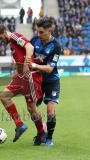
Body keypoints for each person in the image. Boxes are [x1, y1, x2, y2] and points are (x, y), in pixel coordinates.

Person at [0, 24, 45, 144]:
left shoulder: (15, 36)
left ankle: (41, 133)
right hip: (20, 76)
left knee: (31, 109)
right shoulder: (11, 43)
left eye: (1, 38)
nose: (1, 41)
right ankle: (19, 125)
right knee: (4, 96)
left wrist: (27, 63)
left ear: (5, 33)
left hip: (29, 76)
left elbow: (29, 47)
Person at [30, 17, 62, 146]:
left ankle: (49, 137)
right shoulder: (34, 40)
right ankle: (40, 132)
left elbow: (49, 68)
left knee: (50, 111)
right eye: (38, 31)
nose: (39, 34)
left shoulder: (56, 46)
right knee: (31, 109)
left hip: (51, 81)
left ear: (50, 30)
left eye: (42, 32)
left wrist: (35, 65)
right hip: (36, 80)